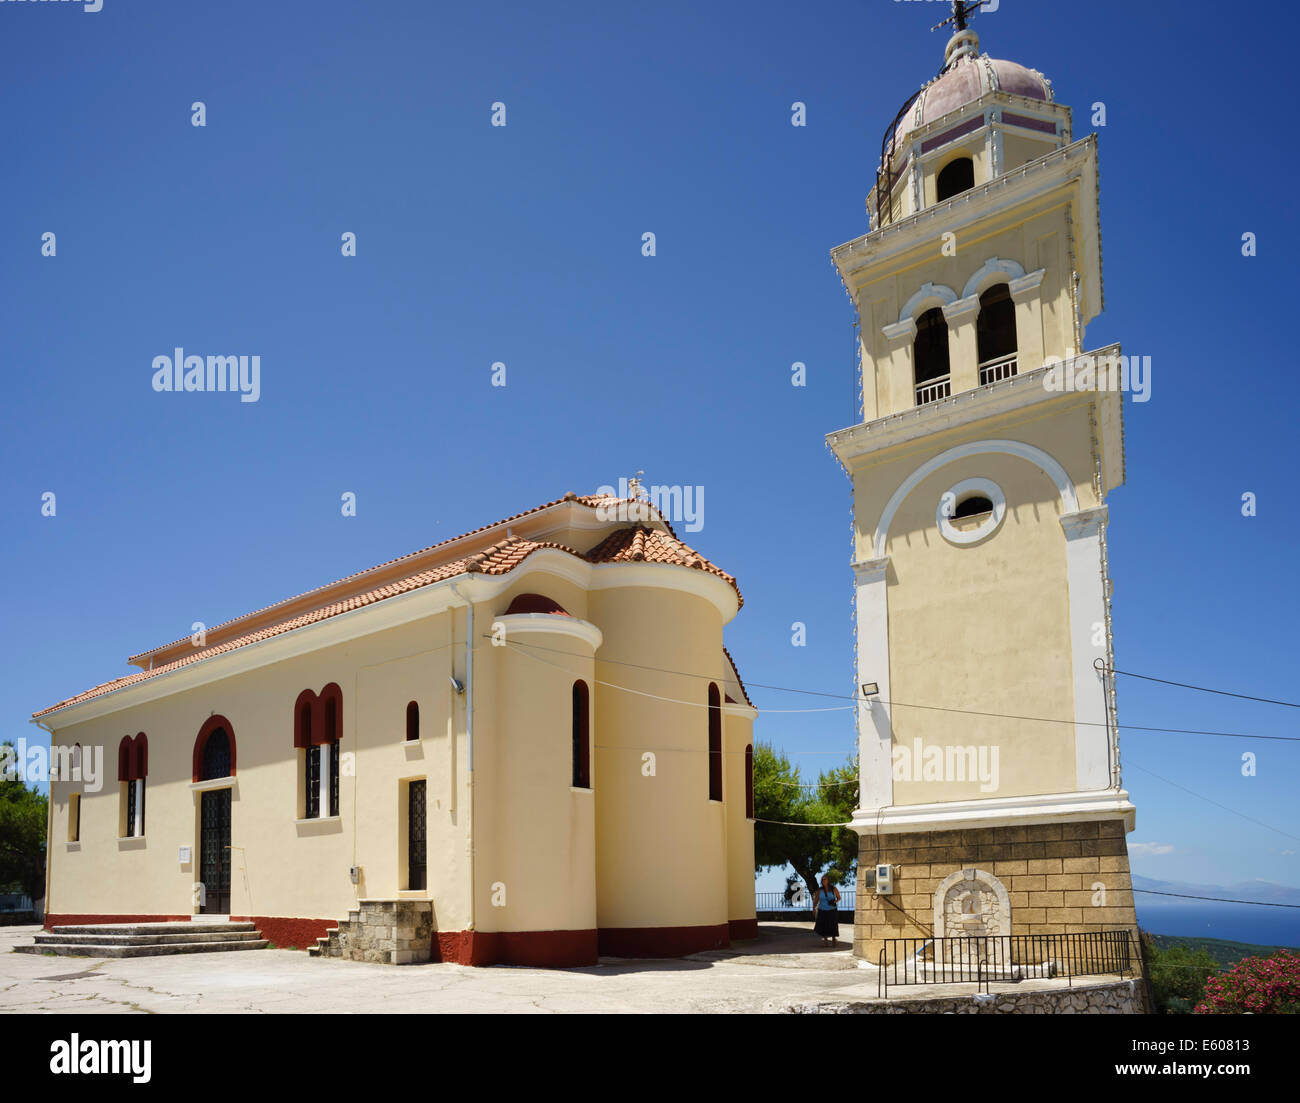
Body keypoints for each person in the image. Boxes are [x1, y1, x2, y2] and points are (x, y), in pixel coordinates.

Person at [813, 874, 841, 944]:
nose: (823, 881)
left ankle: (834, 939)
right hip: (822, 909)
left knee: (833, 924)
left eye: (824, 879)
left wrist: (834, 901)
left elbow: (839, 898)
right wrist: (814, 908)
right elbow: (816, 899)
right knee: (823, 925)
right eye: (822, 880)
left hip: (832, 909)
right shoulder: (820, 890)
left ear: (828, 880)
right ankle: (825, 939)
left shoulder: (834, 888)